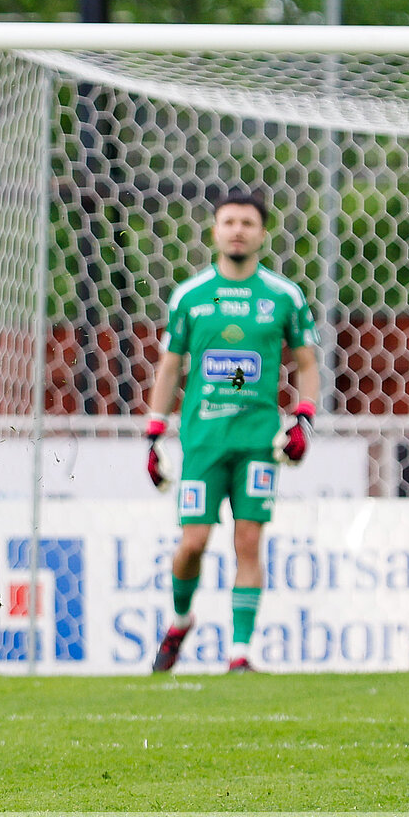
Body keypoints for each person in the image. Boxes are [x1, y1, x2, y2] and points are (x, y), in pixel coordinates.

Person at [145, 189, 320, 674]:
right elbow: (170, 368)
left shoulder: (284, 296)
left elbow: (308, 363)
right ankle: (181, 620)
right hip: (203, 441)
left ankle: (239, 654)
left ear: (263, 233)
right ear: (215, 230)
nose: (238, 229)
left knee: (248, 541)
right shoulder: (192, 296)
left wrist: (303, 417)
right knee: (192, 544)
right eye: (229, 221)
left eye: (247, 222)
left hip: (259, 442)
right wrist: (154, 434)